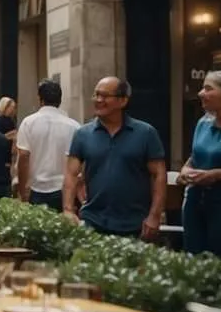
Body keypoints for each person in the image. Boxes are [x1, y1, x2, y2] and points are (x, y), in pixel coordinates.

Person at [64, 77, 166, 239]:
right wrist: (68, 210)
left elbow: (159, 175)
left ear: (123, 101)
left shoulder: (146, 133)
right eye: (96, 95)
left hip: (136, 224)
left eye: (105, 96)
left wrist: (155, 215)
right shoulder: (82, 134)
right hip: (93, 222)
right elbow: (71, 174)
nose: (98, 100)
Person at [178, 70, 221, 258]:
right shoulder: (203, 123)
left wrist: (216, 174)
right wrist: (186, 170)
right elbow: (194, 157)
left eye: (208, 89)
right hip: (194, 204)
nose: (201, 93)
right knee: (193, 260)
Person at [16, 79, 80, 210]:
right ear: (60, 100)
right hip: (64, 190)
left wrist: (23, 191)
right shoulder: (74, 126)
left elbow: (23, 156)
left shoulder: (28, 123)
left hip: (36, 188)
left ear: (40, 98)